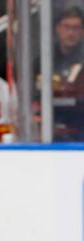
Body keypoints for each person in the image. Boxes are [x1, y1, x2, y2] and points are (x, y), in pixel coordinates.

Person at [51, 6, 84, 141]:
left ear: (82, 31)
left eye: (76, 28)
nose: (71, 33)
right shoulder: (45, 60)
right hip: (51, 126)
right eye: (67, 27)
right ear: (58, 28)